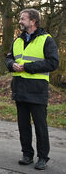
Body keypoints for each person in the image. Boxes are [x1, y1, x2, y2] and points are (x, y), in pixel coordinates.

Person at [5, 9, 59, 171]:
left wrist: (27, 67)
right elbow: (9, 57)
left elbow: (53, 63)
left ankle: (42, 157)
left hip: (37, 90)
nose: (20, 21)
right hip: (20, 88)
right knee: (23, 125)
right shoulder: (17, 40)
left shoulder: (46, 40)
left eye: (23, 18)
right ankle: (27, 154)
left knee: (40, 126)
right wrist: (11, 64)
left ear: (33, 21)